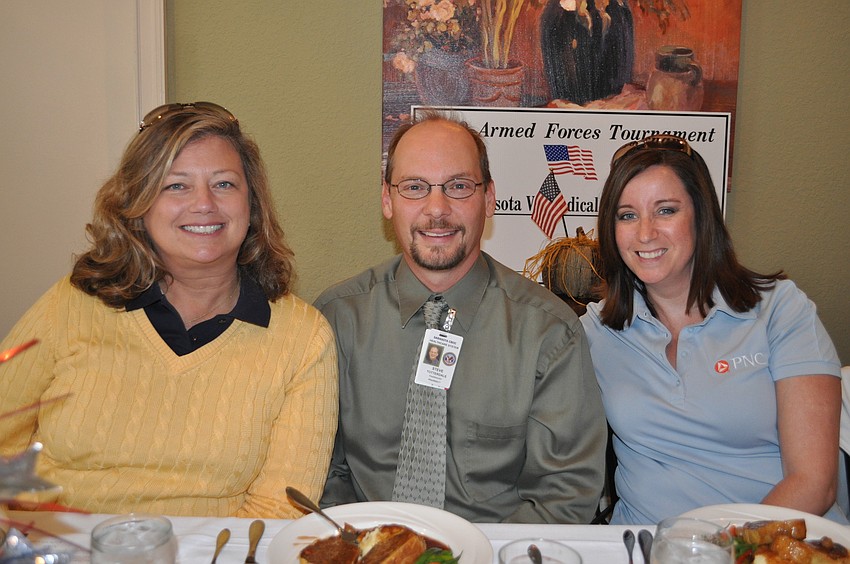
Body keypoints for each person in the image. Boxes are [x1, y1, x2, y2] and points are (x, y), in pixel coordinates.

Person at [0, 102, 338, 518]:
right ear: (139, 205)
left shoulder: (302, 337)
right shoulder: (71, 304)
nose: (203, 204)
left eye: (224, 184)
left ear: (252, 207)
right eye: (176, 185)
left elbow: (279, 508)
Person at [315, 111, 606, 523]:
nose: (437, 209)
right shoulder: (335, 321)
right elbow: (322, 473)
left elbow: (563, 494)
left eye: (458, 186)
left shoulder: (549, 333)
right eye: (415, 187)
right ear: (387, 199)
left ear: (489, 199)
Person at [581, 134, 844, 524]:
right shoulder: (595, 332)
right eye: (627, 215)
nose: (645, 233)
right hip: (647, 543)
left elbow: (815, 482)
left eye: (666, 210)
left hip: (776, 542)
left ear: (702, 216)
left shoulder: (779, 309)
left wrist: (716, 549)